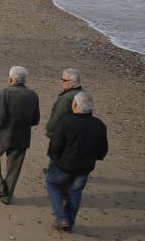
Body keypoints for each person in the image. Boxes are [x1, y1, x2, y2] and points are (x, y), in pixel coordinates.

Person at [46, 91, 108, 232]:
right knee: (75, 193)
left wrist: (54, 157)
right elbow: (103, 149)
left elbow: (55, 144)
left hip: (64, 164)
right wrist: (94, 158)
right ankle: (69, 223)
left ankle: (61, 217)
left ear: (75, 104)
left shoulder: (66, 121)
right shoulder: (99, 125)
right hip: (85, 167)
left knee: (52, 184)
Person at [0, 65, 40, 204]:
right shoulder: (33, 95)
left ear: (11, 78)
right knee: (14, 166)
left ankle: (0, 187)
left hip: (3, 135)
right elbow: (35, 119)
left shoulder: (4, 93)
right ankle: (6, 196)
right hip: (22, 136)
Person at [45, 68, 82, 139]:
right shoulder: (84, 93)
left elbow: (58, 116)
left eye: (65, 80)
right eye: (61, 79)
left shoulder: (66, 98)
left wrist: (49, 130)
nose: (61, 81)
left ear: (74, 82)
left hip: (64, 133)